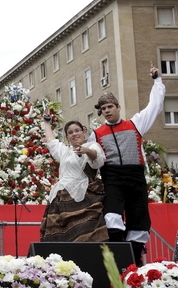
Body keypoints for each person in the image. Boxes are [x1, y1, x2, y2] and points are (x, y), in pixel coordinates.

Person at [91, 64, 165, 265]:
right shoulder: (96, 134)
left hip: (135, 177)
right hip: (112, 177)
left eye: (110, 107)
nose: (107, 111)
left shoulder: (135, 124)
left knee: (139, 219)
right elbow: (86, 159)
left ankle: (135, 262)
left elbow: (154, 106)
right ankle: (118, 252)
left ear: (118, 107)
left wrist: (157, 80)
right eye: (104, 109)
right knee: (112, 215)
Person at [40, 115, 108, 243]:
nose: (74, 134)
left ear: (84, 131)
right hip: (61, 198)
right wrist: (47, 123)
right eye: (70, 132)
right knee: (57, 233)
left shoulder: (92, 145)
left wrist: (86, 150)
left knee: (86, 231)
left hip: (84, 196)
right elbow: (52, 142)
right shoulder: (65, 152)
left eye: (77, 130)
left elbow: (97, 159)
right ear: (67, 137)